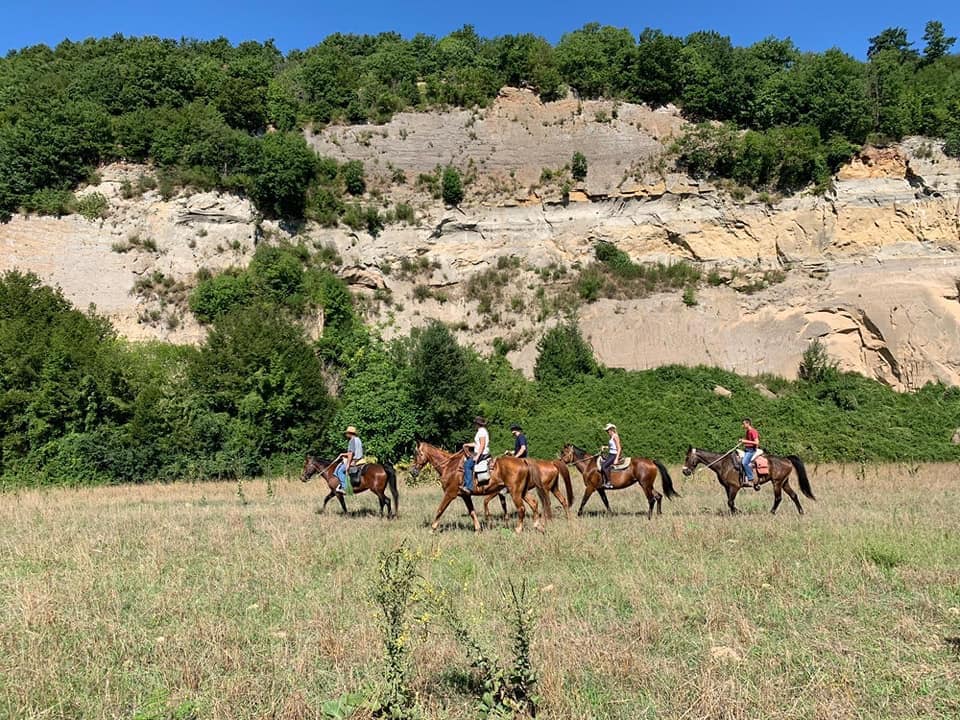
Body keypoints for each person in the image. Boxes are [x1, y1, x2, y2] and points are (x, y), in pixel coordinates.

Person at [462, 416, 489, 492]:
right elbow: (477, 444)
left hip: (481, 453)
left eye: (475, 424)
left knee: (467, 465)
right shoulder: (481, 431)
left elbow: (482, 445)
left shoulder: (481, 432)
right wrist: (466, 444)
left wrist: (477, 456)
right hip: (480, 452)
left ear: (477, 424)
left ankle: (469, 487)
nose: (474, 425)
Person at [334, 425, 364, 494]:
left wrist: (348, 465)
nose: (346, 434)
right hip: (360, 459)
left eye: (347, 433)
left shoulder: (352, 441)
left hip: (354, 460)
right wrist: (342, 454)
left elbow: (351, 454)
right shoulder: (358, 439)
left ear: (350, 433)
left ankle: (345, 488)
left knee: (340, 471)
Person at [738, 418, 759, 488]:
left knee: (744, 462)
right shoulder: (747, 431)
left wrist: (745, 441)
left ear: (748, 424)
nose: (742, 425)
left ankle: (750, 479)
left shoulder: (753, 431)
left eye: (743, 424)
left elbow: (757, 442)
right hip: (747, 449)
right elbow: (748, 441)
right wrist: (743, 441)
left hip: (751, 450)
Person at [600, 423, 621, 489]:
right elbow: (612, 446)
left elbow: (619, 448)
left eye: (607, 430)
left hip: (614, 454)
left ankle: (609, 482)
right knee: (603, 463)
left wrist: (616, 458)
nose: (607, 432)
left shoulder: (615, 436)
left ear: (611, 429)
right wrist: (605, 447)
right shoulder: (611, 436)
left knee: (604, 466)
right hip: (611, 453)